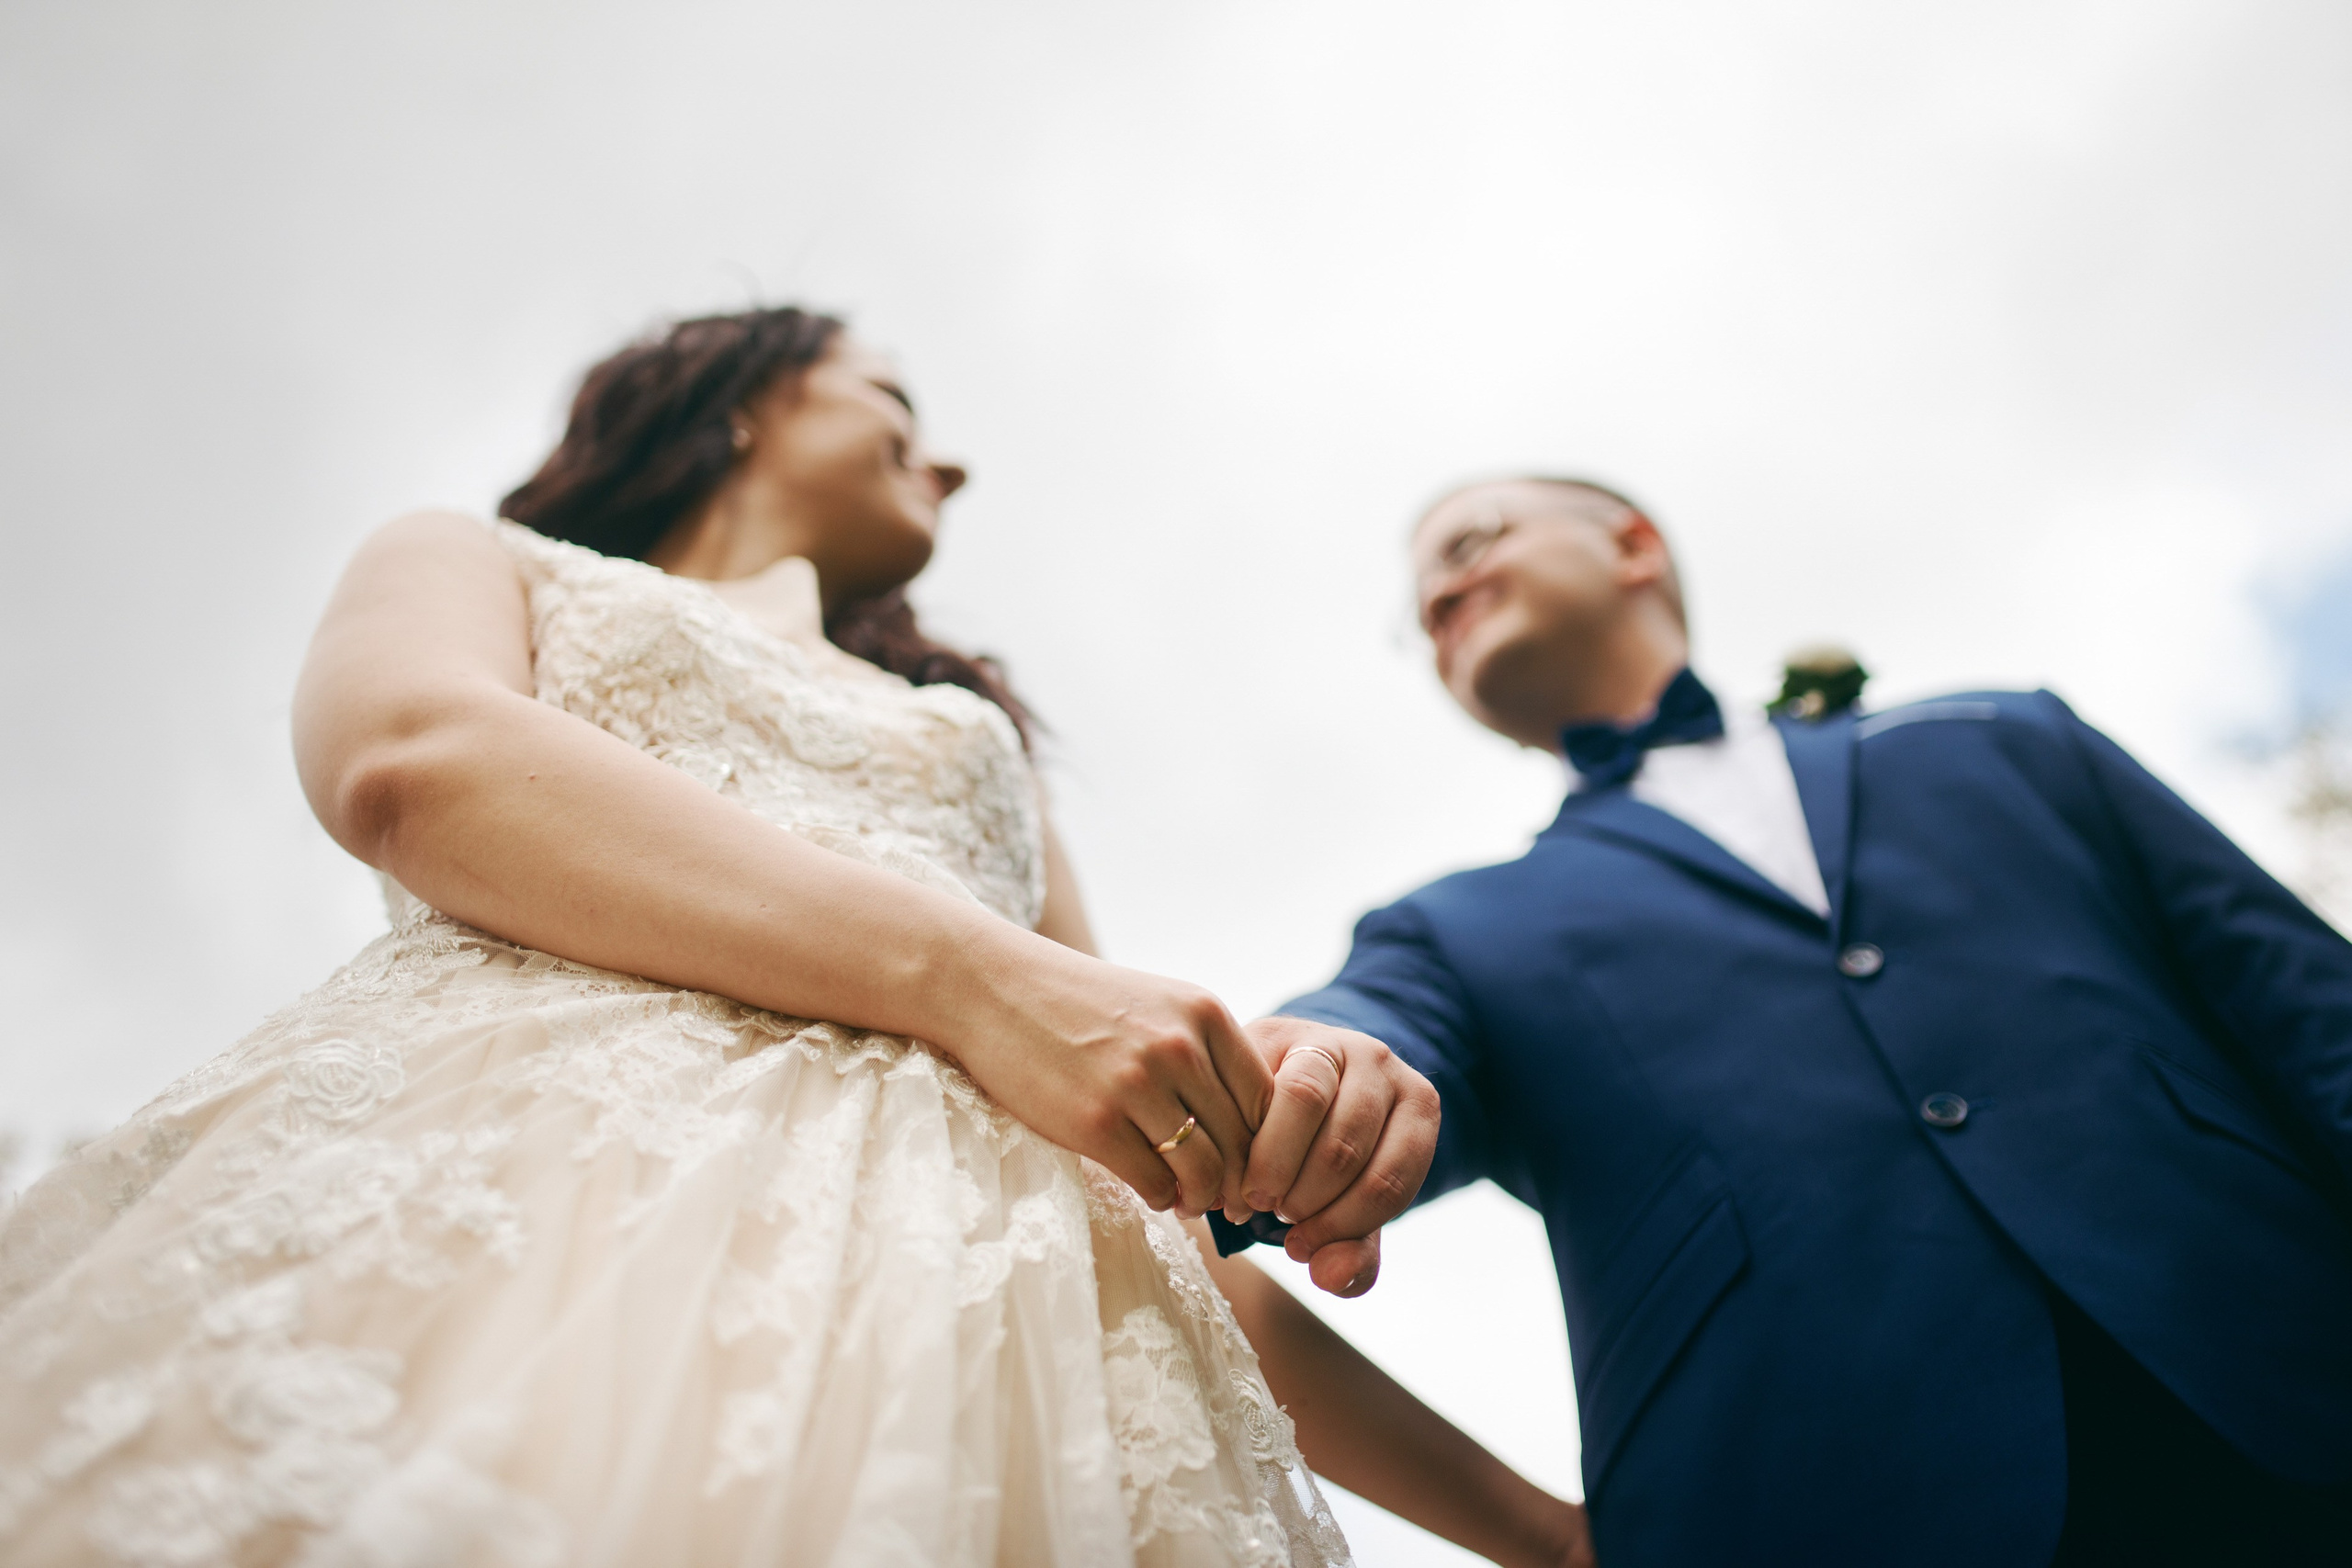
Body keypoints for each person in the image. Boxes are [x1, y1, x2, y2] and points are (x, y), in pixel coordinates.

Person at [0, 310, 1591, 1568]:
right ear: (749, 393)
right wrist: (978, 976)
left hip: (994, 1367)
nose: (949, 469)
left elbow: (1145, 1197)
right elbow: (413, 761)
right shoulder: (486, 563)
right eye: (891, 395)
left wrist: (1542, 1532)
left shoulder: (972, 743)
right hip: (521, 1233)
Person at [1243, 477, 2352, 1565]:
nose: (1437, 593)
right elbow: (1368, 1029)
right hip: (1801, 1510)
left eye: (1471, 540)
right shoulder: (1449, 926)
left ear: (1633, 546)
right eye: (1416, 607)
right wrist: (1317, 1057)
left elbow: (2316, 1016)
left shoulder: (2010, 736)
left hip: (2287, 1384)